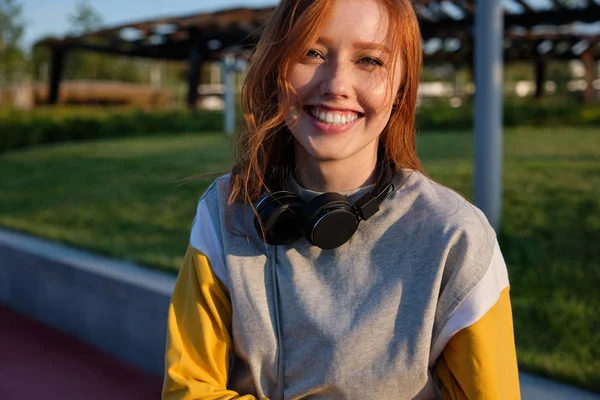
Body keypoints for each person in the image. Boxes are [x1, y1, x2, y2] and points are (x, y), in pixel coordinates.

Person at [162, 0, 521, 398]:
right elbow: (187, 389)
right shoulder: (225, 212)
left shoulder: (455, 237)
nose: (335, 85)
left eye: (369, 60)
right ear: (276, 67)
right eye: (312, 53)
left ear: (402, 88)